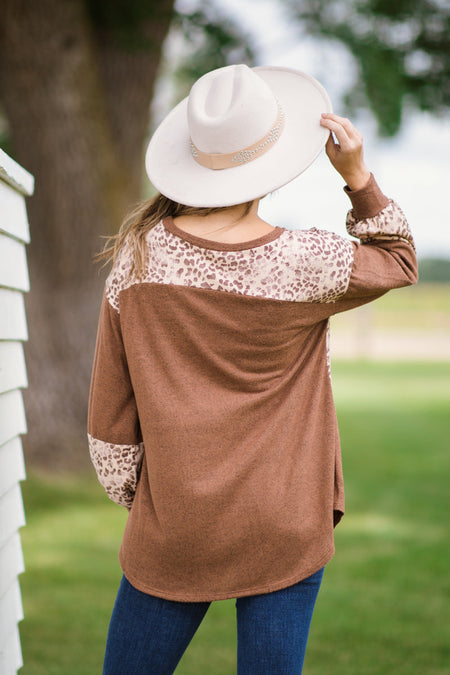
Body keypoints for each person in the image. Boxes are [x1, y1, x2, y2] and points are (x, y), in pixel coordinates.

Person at [87, 64, 417, 674]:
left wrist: (161, 505)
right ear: (269, 162)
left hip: (176, 525)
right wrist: (358, 177)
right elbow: (398, 258)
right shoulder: (307, 260)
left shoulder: (136, 259)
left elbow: (110, 425)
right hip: (285, 517)